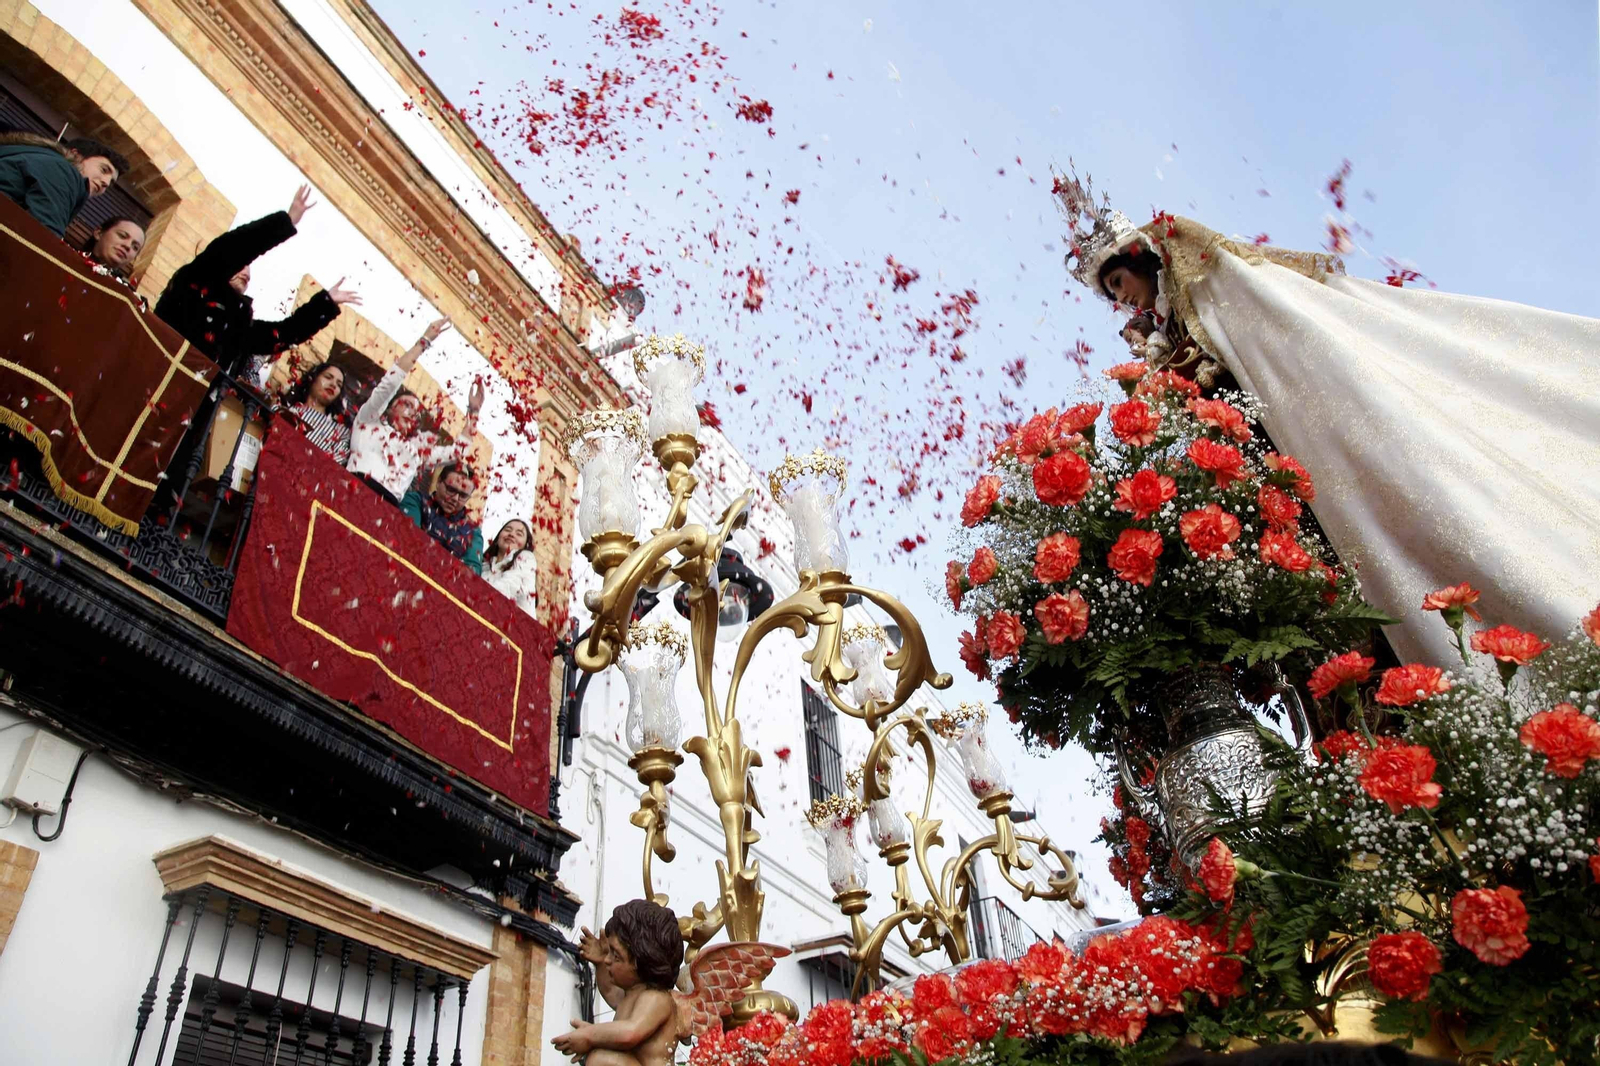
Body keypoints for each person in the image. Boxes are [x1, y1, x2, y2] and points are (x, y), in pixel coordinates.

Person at [1053, 167, 1600, 666]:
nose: (1121, 299)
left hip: (1294, 418)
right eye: (1111, 295)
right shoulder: (1159, 330)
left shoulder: (1205, 283)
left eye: (1118, 283)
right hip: (1259, 452)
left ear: (1137, 260)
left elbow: (1261, 330)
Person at [154, 184, 360, 380]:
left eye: (249, 270)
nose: (247, 273)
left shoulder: (237, 324)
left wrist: (326, 303)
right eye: (242, 265)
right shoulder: (196, 278)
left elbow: (284, 334)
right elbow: (232, 248)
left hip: (189, 396)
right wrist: (285, 222)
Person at [348, 317, 480, 504]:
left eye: (416, 412)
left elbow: (457, 451)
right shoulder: (368, 421)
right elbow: (390, 383)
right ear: (390, 408)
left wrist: (474, 412)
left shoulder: (416, 453)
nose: (412, 413)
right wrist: (424, 341)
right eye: (407, 405)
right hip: (354, 489)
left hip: (387, 507)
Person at [553, 900, 683, 1066]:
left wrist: (590, 1034)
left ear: (639, 962)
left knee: (600, 1059)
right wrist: (600, 963)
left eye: (616, 955)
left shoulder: (656, 999)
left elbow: (630, 1032)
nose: (608, 960)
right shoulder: (630, 994)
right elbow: (609, 991)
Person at [0, 132, 127, 238]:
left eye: (111, 183)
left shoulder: (33, 157)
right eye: (104, 170)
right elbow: (44, 236)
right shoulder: (63, 170)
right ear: (76, 155)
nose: (106, 183)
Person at [402, 462, 484, 573]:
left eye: (463, 495)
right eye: (451, 490)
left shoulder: (473, 532)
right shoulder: (415, 501)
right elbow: (408, 537)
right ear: (439, 482)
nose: (455, 498)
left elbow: (472, 572)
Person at [281, 360, 350, 465]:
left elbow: (330, 466)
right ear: (313, 379)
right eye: (328, 377)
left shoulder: (341, 434)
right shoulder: (286, 411)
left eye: (339, 385)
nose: (333, 385)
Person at [481, 518, 538, 617]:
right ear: (498, 537)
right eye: (508, 530)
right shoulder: (484, 565)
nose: (511, 534)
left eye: (519, 534)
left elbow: (508, 587)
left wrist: (478, 598)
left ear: (525, 545)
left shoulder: (526, 558)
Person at [81, 216, 146, 278]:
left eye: (135, 247)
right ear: (99, 233)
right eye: (122, 236)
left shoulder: (118, 286)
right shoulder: (74, 260)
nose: (128, 246)